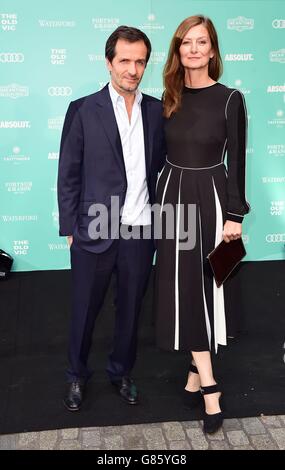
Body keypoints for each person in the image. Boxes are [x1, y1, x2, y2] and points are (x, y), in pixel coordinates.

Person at [58, 26, 166, 411]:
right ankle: (76, 375)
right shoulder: (84, 109)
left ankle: (121, 372)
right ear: (109, 62)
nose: (132, 69)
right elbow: (69, 172)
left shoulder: (156, 111)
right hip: (93, 230)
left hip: (139, 232)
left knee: (131, 311)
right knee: (84, 309)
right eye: (125, 60)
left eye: (140, 62)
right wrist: (70, 228)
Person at [154, 15, 250, 433]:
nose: (193, 49)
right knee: (181, 286)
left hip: (211, 197)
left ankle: (209, 385)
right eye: (185, 43)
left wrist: (235, 214)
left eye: (201, 42)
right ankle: (199, 374)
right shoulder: (168, 96)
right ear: (178, 51)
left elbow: (237, 163)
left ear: (213, 50)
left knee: (203, 287)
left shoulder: (231, 99)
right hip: (171, 195)